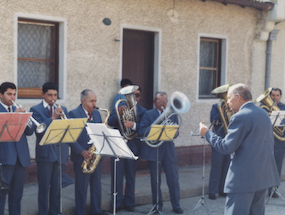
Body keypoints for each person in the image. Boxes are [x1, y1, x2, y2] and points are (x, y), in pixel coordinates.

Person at [199, 83, 280, 215]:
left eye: (229, 98)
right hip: (262, 176)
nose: (228, 102)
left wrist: (207, 133)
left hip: (244, 179)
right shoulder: (264, 113)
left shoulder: (240, 116)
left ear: (238, 97)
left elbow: (226, 147)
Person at [138, 92, 183, 214]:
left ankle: (176, 205)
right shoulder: (148, 114)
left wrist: (175, 133)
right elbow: (141, 131)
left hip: (168, 150)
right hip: (154, 150)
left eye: (164, 102)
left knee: (173, 179)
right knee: (156, 181)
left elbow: (176, 130)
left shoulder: (172, 115)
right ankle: (157, 206)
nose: (162, 104)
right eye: (159, 102)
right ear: (154, 102)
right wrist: (155, 129)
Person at [30, 82, 70, 215]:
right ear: (43, 94)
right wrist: (52, 118)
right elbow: (38, 130)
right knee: (44, 188)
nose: (53, 98)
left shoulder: (63, 108)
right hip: (45, 155)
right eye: (50, 95)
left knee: (57, 188)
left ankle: (55, 212)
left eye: (55, 95)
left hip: (60, 153)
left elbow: (68, 128)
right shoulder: (36, 109)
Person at [108, 85, 146, 212]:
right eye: (132, 94)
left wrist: (133, 125)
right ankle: (116, 204)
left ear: (140, 97)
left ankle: (129, 202)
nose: (134, 97)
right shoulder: (119, 107)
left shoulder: (142, 111)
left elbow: (144, 129)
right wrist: (118, 113)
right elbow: (110, 122)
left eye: (137, 95)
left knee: (130, 176)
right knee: (117, 177)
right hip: (118, 145)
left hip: (132, 146)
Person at [69, 89, 107, 215]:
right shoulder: (73, 113)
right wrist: (81, 151)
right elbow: (70, 136)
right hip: (82, 156)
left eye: (95, 101)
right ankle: (80, 212)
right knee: (81, 188)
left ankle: (97, 210)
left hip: (95, 155)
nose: (94, 104)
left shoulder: (96, 114)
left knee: (96, 186)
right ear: (83, 100)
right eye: (92, 101)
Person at [0, 82, 35, 215]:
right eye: (9, 94)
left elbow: (30, 131)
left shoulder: (17, 109)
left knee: (17, 195)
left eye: (14, 94)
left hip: (21, 158)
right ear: (1, 95)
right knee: (1, 195)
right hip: (4, 158)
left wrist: (25, 118)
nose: (13, 98)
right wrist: (15, 116)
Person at [208, 102, 230, 200]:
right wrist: (221, 111)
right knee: (216, 166)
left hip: (229, 140)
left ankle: (223, 190)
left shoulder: (233, 106)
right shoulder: (216, 106)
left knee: (227, 166)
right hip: (218, 139)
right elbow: (213, 120)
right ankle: (212, 191)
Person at [267, 88, 285, 198]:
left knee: (277, 166)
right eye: (273, 95)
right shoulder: (264, 107)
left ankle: (274, 189)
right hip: (266, 142)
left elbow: (281, 124)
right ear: (269, 96)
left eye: (277, 95)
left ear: (280, 96)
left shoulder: (284, 107)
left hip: (279, 142)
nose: (275, 97)